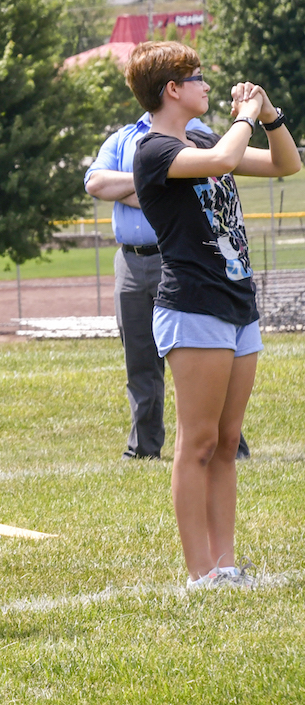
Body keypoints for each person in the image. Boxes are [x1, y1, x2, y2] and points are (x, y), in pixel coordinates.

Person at [126, 41, 299, 589]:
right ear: (172, 89)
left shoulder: (201, 136)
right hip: (192, 306)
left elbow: (285, 165)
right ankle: (199, 571)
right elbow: (224, 161)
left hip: (236, 303)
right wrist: (244, 117)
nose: (206, 85)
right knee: (196, 442)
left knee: (228, 440)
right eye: (196, 78)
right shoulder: (152, 150)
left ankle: (226, 563)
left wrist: (270, 117)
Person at [87, 105, 250, 460]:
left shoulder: (197, 131)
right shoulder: (123, 137)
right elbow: (96, 183)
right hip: (129, 261)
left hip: (176, 257)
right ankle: (143, 449)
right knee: (140, 361)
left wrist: (143, 182)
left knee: (206, 359)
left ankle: (230, 444)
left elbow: (213, 170)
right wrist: (153, 177)